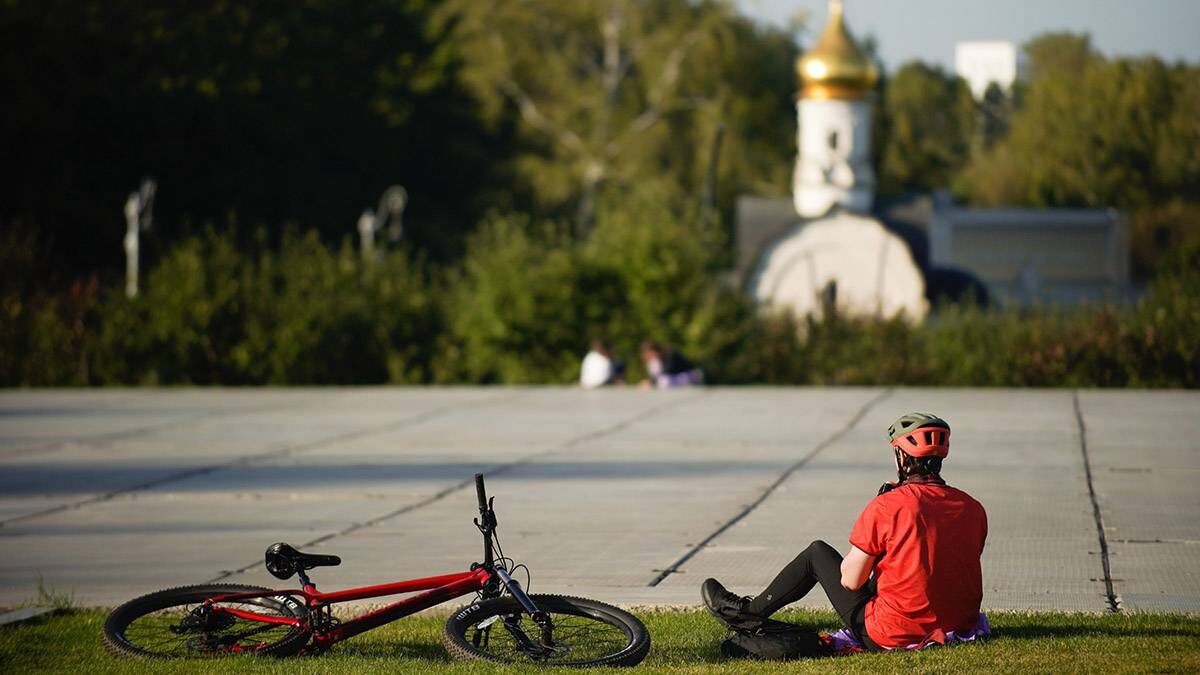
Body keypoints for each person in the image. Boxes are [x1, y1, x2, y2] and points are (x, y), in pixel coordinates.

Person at [702, 412, 988, 652]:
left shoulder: (888, 506)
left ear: (902, 457)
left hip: (893, 633)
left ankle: (745, 614)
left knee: (817, 554)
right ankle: (747, 614)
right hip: (958, 626)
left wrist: (883, 507)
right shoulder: (973, 507)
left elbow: (851, 582)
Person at [639, 341, 703, 389]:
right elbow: (657, 376)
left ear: (656, 351)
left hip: (690, 376)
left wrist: (652, 382)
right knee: (663, 382)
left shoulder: (671, 354)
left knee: (664, 381)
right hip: (675, 378)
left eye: (650, 354)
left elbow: (667, 372)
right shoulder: (656, 361)